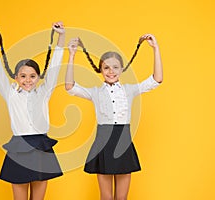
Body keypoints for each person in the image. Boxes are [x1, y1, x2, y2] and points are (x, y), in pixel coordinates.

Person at [65, 34, 163, 200]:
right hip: (103, 145)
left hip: (123, 143)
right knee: (106, 197)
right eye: (106, 68)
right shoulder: (95, 92)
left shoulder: (129, 90)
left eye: (115, 67)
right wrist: (72, 55)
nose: (111, 71)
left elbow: (157, 79)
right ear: (100, 70)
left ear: (122, 69)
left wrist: (156, 48)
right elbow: (69, 87)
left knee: (122, 198)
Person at [0, 21, 65, 200]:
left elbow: (54, 68)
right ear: (16, 77)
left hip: (42, 147)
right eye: (23, 76)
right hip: (19, 148)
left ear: (38, 77)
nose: (27, 80)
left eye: (32, 76)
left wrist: (61, 37)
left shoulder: (44, 92)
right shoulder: (10, 93)